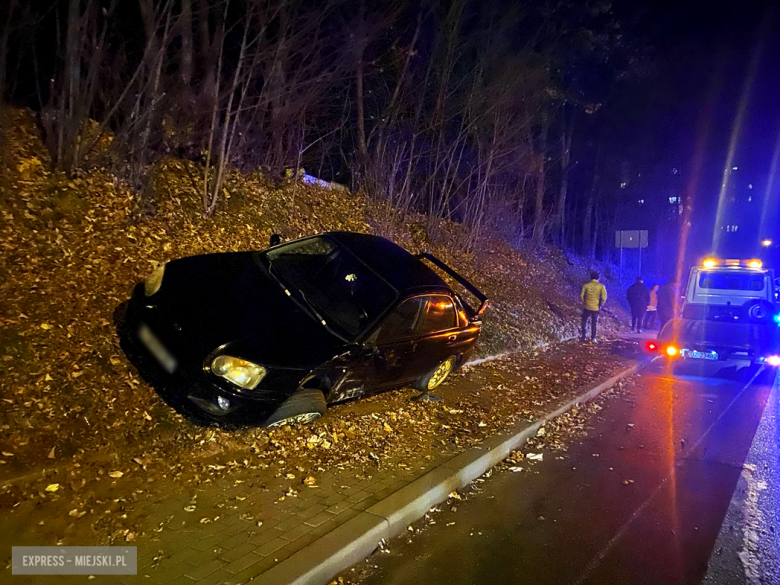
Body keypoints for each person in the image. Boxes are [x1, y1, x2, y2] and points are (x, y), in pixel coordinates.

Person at [580, 271, 607, 343]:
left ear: (591, 277)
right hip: (596, 307)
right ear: (598, 278)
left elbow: (581, 295)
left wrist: (584, 302)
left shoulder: (586, 285)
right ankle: (593, 338)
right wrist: (600, 304)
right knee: (594, 322)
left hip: (587, 306)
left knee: (584, 321)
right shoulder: (601, 286)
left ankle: (583, 336)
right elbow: (604, 298)